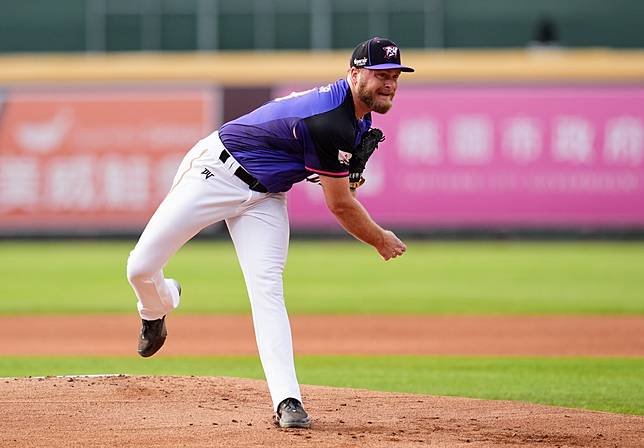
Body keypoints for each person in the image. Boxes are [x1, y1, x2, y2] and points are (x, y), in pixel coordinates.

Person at [126, 37, 413, 428]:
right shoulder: (332, 119)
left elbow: (336, 183)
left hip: (265, 197)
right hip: (216, 172)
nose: (389, 83)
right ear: (354, 74)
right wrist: (380, 238)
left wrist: (348, 176)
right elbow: (340, 205)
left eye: (395, 75)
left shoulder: (359, 120)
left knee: (267, 291)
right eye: (380, 74)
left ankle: (287, 400)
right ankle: (156, 307)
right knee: (140, 267)